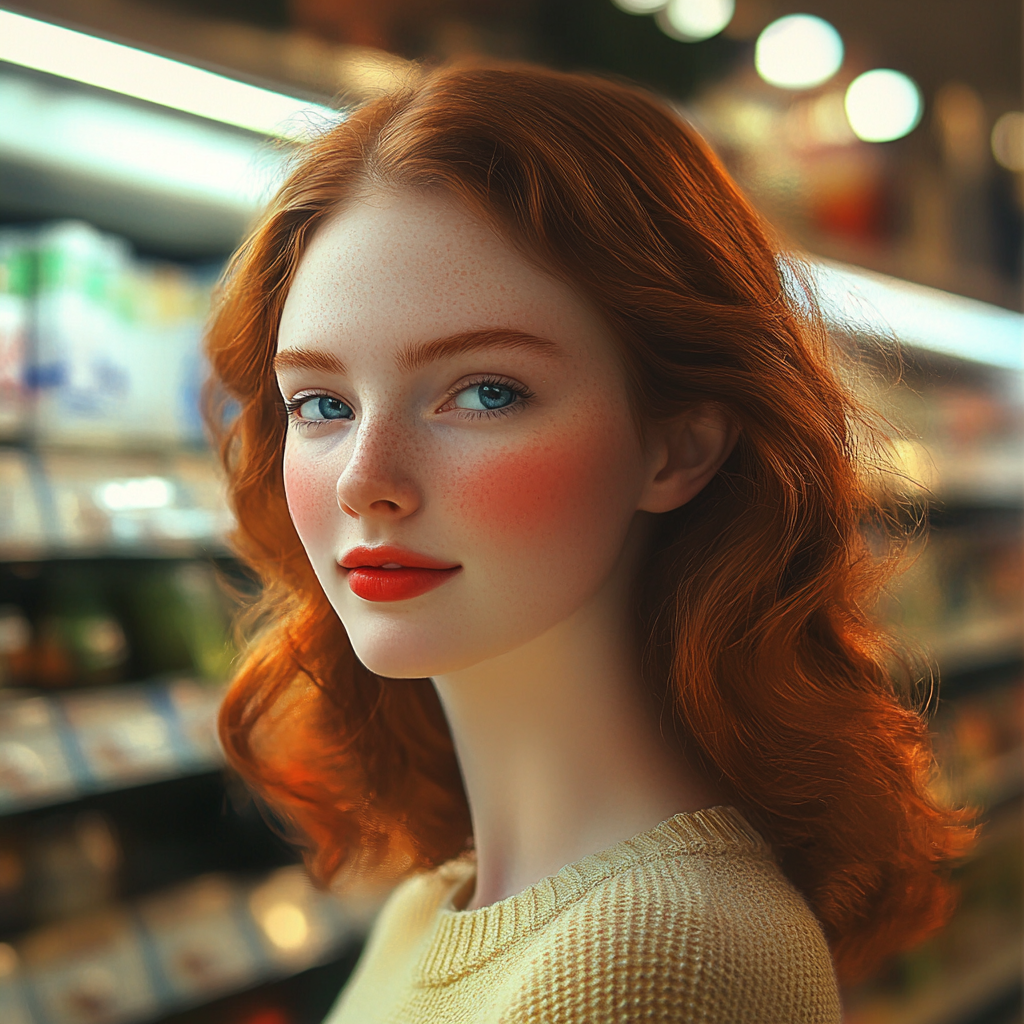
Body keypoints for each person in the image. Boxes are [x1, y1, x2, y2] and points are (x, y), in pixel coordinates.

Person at [204, 61, 979, 1023]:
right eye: (321, 404)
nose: (366, 478)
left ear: (678, 445)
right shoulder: (435, 901)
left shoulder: (661, 956)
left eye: (486, 392)